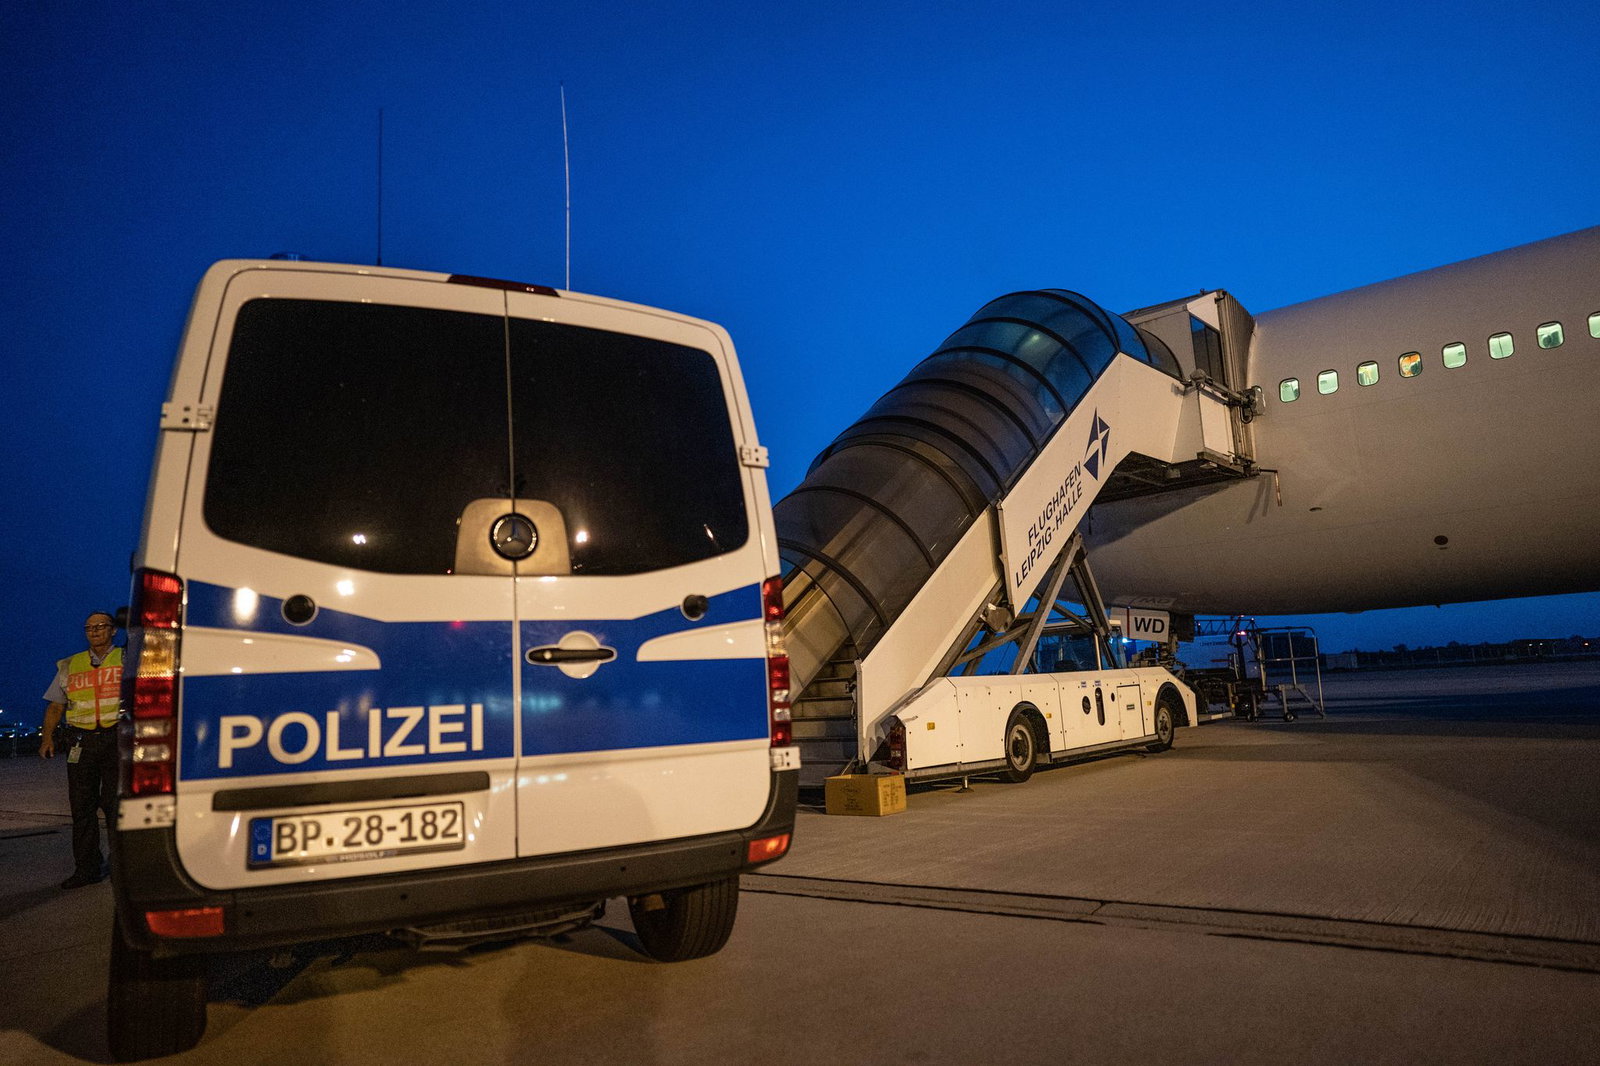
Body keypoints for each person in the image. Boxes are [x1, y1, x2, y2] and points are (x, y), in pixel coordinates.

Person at [40, 611, 124, 889]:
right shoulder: (70, 665)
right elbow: (55, 705)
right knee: (82, 808)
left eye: (101, 626)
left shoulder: (126, 659)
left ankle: (122, 866)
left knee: (116, 806)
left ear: (113, 630)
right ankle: (86, 869)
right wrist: (47, 738)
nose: (95, 631)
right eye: (89, 627)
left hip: (116, 740)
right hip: (81, 743)